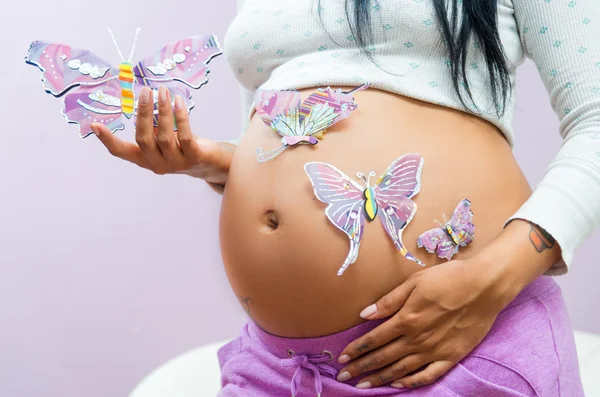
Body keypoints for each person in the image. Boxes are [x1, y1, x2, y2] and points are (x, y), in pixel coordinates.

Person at [91, 0, 599, 395]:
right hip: (284, 367)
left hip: (460, 348)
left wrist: (489, 282)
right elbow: (281, 140)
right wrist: (214, 161)